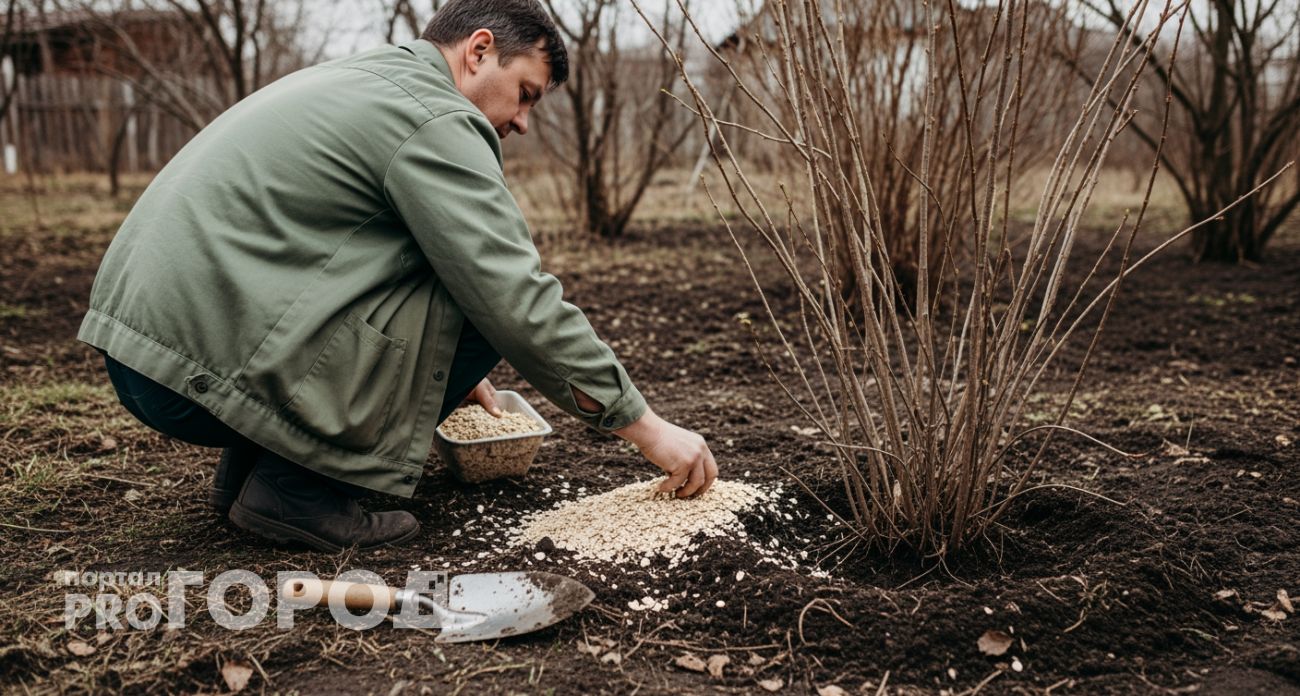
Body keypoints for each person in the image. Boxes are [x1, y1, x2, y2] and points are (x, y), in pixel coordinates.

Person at [78, 0, 718, 553]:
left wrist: (448, 374)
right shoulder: (435, 116)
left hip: (145, 352)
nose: (523, 122)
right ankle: (298, 491)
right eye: (525, 93)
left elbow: (334, 250)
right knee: (485, 301)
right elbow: (513, 295)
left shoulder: (368, 77)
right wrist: (645, 426)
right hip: (190, 370)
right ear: (479, 51)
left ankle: (253, 471)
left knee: (458, 277)